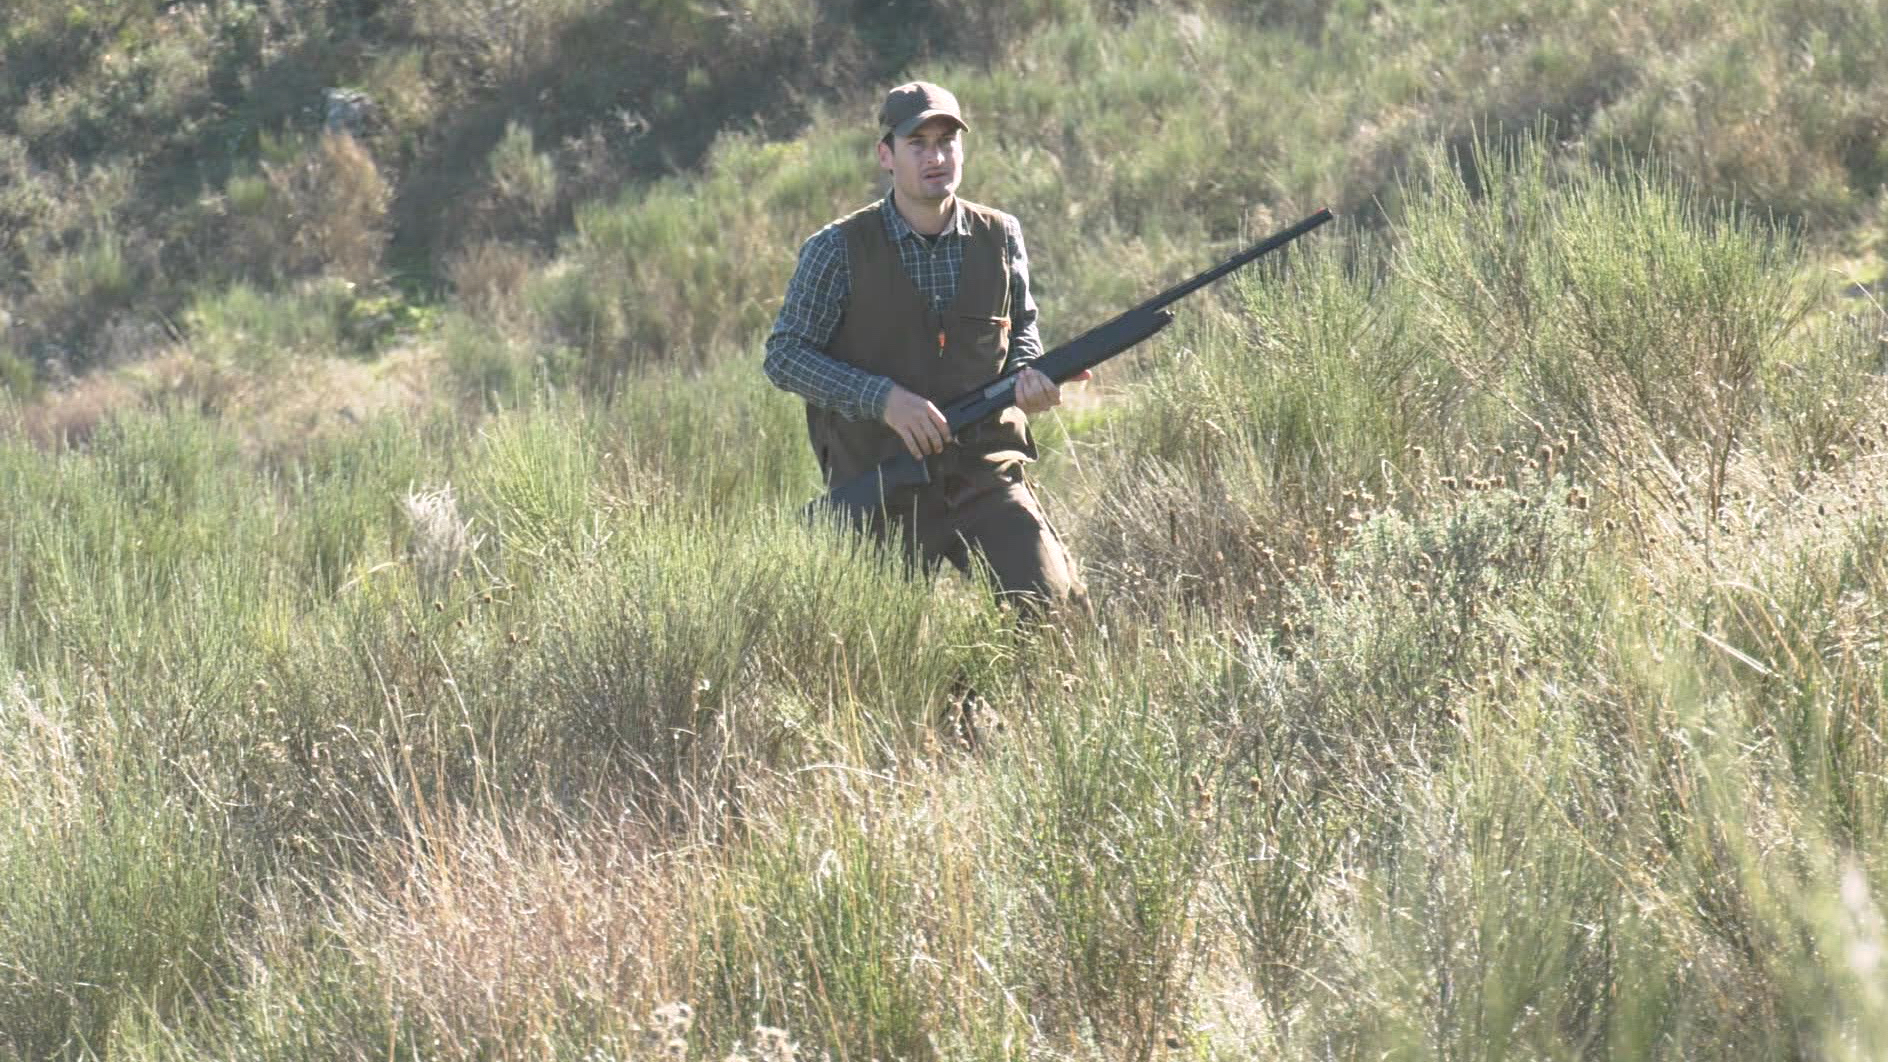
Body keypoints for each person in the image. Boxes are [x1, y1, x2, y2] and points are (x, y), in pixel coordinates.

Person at [764, 80, 1086, 612]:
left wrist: (1029, 375)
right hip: (884, 485)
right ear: (886, 155)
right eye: (918, 144)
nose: (935, 157)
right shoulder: (837, 249)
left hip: (984, 471)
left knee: (1054, 614)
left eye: (947, 142)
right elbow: (785, 357)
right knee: (876, 659)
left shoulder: (1001, 235)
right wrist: (883, 399)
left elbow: (1021, 328)